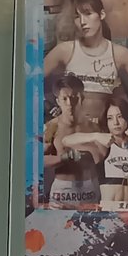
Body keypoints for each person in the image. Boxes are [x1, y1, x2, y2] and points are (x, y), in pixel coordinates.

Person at [42, 0, 128, 128]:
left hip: (101, 130)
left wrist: (127, 114)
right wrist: (49, 106)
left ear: (101, 14)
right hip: (70, 130)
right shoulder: (64, 50)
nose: (82, 21)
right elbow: (30, 80)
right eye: (77, 17)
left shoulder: (120, 54)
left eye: (88, 14)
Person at [59, 98, 128, 211]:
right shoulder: (103, 146)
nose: (115, 123)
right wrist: (95, 136)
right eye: (110, 118)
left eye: (120, 116)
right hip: (110, 209)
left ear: (127, 117)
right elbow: (66, 141)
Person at [40, 74, 97, 207]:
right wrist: (65, 157)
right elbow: (39, 160)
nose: (69, 104)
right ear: (58, 101)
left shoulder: (93, 126)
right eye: (64, 99)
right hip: (63, 191)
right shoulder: (51, 127)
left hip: (88, 189)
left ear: (81, 97)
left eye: (73, 97)